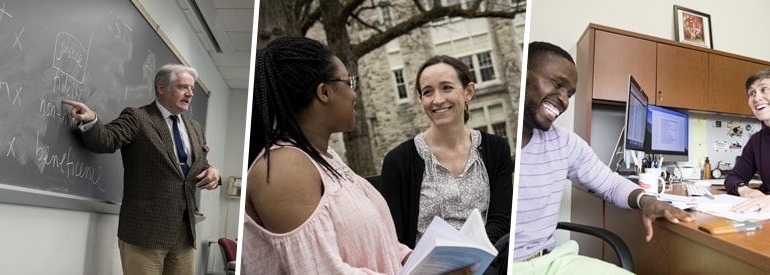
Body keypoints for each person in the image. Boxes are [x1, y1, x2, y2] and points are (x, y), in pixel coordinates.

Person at [242, 36, 476, 274]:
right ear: (324, 92)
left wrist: (432, 263)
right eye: (350, 83)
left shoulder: (325, 158)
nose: (355, 94)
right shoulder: (285, 169)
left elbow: (380, 245)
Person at [513, 41, 693, 274]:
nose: (565, 100)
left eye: (569, 93)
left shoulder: (565, 143)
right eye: (557, 85)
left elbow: (610, 183)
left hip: (552, 262)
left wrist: (645, 200)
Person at [62, 63, 221, 275]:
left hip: (184, 232)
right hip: (145, 232)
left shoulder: (195, 128)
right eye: (183, 87)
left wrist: (214, 173)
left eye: (191, 88)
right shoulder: (137, 118)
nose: (190, 94)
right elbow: (106, 140)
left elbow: (199, 165)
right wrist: (92, 121)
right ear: (161, 87)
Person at [379, 55, 513, 272]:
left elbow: (501, 219)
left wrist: (470, 262)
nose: (437, 99)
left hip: (485, 265)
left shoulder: (496, 149)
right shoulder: (398, 162)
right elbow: (392, 238)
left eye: (447, 87)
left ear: (468, 91)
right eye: (428, 92)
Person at [725, 69, 770, 214]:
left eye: (764, 89)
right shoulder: (756, 141)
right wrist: (745, 190)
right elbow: (733, 178)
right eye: (752, 93)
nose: (756, 98)